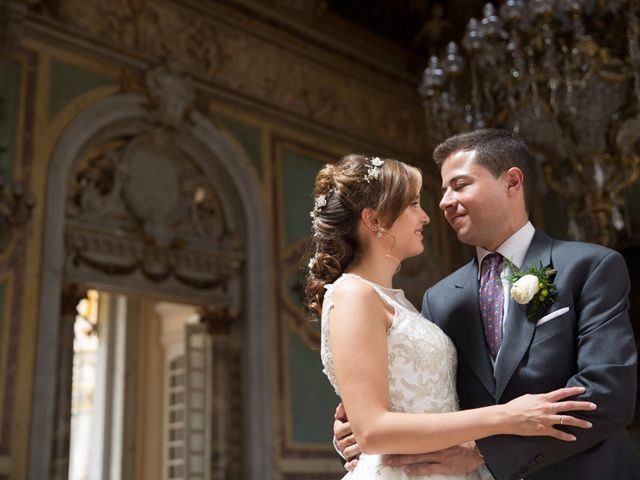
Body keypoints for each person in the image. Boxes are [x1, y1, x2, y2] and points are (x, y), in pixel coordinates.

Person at [333, 130, 640, 479]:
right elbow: (432, 393)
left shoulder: (591, 267)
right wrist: (357, 428)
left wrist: (483, 452)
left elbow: (608, 395)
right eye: (444, 189)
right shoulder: (440, 297)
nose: (444, 201)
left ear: (512, 181)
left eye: (460, 185)